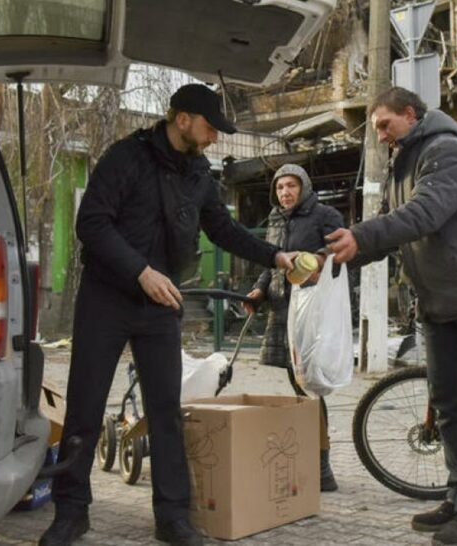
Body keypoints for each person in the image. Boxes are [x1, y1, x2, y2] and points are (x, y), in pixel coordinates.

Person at [41, 84, 298, 546]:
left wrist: (276, 256)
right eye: (210, 127)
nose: (215, 138)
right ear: (183, 120)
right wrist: (140, 271)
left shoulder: (199, 174)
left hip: (161, 304)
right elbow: (91, 223)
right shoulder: (126, 157)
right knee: (85, 406)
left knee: (165, 411)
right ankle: (71, 511)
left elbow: (223, 229)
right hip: (107, 297)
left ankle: (172, 518)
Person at [327, 86, 457, 546]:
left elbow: (425, 214)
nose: (380, 137)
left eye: (384, 126)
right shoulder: (402, 165)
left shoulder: (446, 151)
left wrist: (361, 233)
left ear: (410, 115)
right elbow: (397, 234)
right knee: (448, 402)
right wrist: (337, 260)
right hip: (441, 301)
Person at [244, 164, 344, 492]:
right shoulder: (275, 219)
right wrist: (259, 291)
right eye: (280, 187)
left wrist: (316, 257)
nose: (285, 192)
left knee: (310, 387)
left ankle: (323, 468)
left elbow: (338, 249)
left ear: (304, 187)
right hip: (282, 310)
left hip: (311, 310)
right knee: (299, 386)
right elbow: (271, 262)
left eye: (291, 186)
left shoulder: (324, 215)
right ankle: (314, 463)